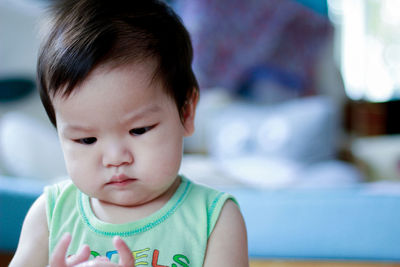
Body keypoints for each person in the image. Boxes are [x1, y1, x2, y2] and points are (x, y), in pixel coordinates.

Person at [9, 0, 249, 266]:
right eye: (86, 140)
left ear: (186, 112)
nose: (115, 158)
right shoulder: (50, 215)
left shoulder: (214, 218)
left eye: (139, 130)